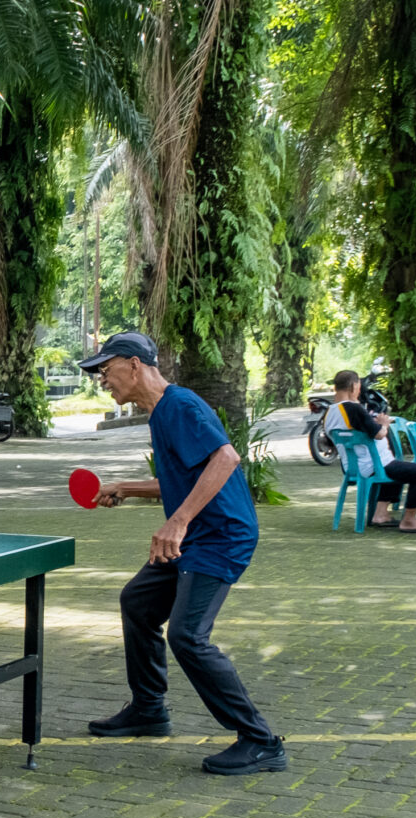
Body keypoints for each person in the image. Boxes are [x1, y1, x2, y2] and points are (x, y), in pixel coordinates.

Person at [78, 331, 284, 776]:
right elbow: (185, 479)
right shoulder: (159, 414)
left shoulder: (182, 405)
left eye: (105, 369)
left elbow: (226, 459)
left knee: (188, 636)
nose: (102, 379)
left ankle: (260, 741)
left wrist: (178, 521)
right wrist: (127, 488)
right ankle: (149, 709)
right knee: (138, 603)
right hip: (196, 536)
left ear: (134, 365)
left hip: (221, 536)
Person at [329, 370, 416, 533]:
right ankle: (409, 520)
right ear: (354, 386)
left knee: (399, 467)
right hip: (374, 465)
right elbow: (380, 434)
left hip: (351, 466)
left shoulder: (329, 413)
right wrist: (384, 423)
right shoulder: (354, 408)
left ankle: (380, 515)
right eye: (359, 387)